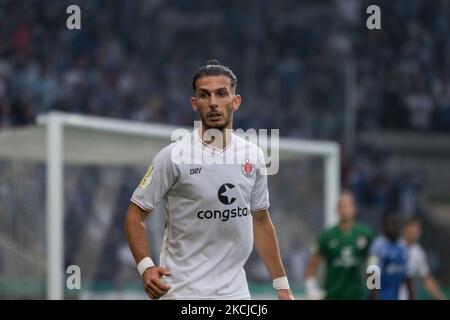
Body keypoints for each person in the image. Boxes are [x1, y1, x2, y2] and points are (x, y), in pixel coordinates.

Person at [124, 60, 293, 300]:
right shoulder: (173, 156)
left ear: (236, 101)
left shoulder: (253, 156)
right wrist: (146, 267)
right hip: (182, 293)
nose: (213, 102)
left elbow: (261, 221)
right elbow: (134, 215)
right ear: (195, 104)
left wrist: (282, 285)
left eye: (221, 94)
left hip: (235, 294)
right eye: (204, 95)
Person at [305, 191, 374, 299]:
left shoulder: (365, 233)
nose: (345, 209)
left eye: (348, 205)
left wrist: (374, 289)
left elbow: (373, 263)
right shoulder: (326, 236)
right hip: (333, 294)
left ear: (355, 208)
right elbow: (313, 264)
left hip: (357, 294)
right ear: (337, 210)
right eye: (342, 206)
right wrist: (311, 289)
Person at [368, 212, 414, 300]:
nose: (394, 227)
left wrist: (411, 295)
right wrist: (374, 296)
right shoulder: (377, 246)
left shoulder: (403, 247)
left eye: (396, 224)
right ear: (385, 226)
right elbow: (371, 274)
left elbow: (407, 275)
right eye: (391, 224)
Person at [399, 216, 447, 300]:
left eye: (418, 229)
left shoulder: (418, 252)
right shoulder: (393, 245)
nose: (416, 232)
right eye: (413, 228)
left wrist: (441, 297)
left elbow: (426, 278)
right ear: (405, 229)